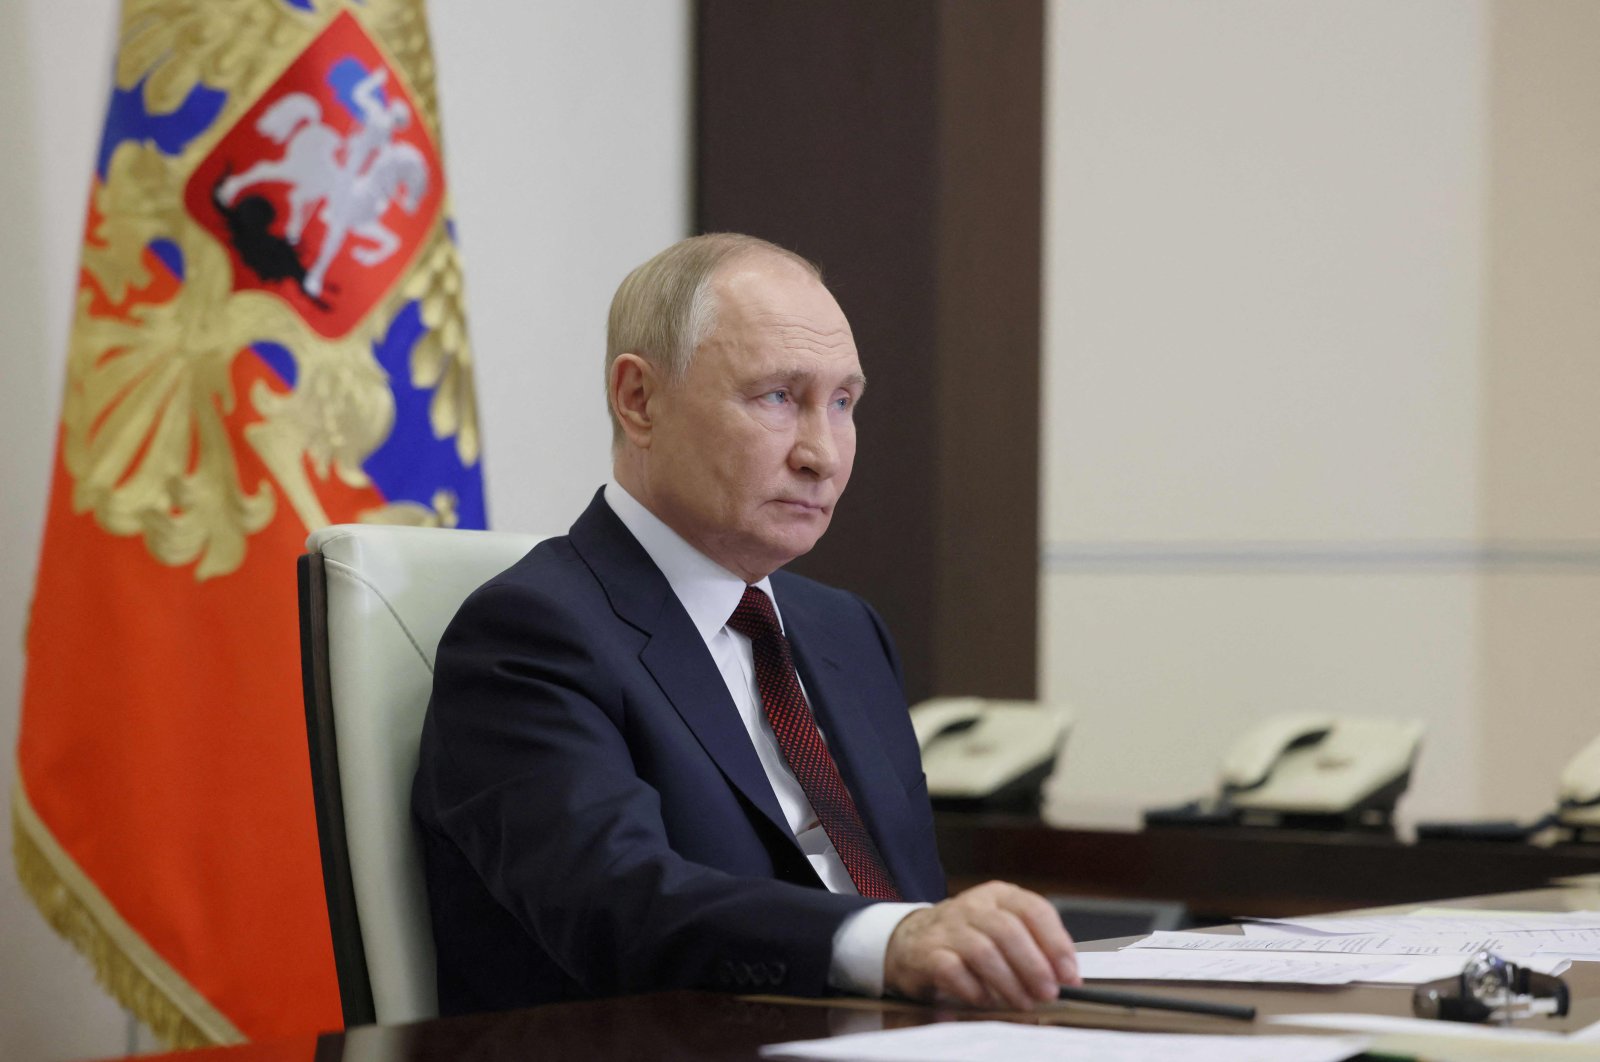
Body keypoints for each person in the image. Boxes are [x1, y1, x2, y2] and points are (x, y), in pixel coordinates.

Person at [412, 233, 1079, 1016]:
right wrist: (886, 943)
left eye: (843, 403)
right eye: (777, 398)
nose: (823, 454)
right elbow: (619, 907)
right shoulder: (530, 633)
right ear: (639, 400)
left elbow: (907, 894)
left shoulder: (844, 632)